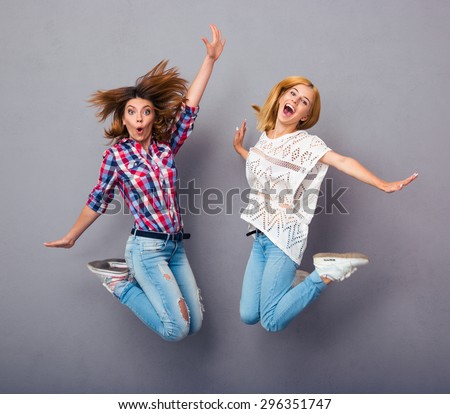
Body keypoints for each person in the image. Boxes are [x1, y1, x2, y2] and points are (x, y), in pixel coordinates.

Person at [44, 25, 225, 341]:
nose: (139, 119)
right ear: (124, 118)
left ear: (153, 117)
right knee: (176, 330)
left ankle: (132, 284)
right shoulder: (117, 155)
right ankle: (120, 285)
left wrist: (209, 60)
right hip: (146, 248)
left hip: (175, 246)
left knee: (194, 325)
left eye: (145, 112)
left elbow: (189, 110)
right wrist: (72, 236)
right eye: (132, 112)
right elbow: (98, 198)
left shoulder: (165, 147)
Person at [233, 76, 418, 332]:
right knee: (248, 314)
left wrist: (382, 184)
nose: (296, 100)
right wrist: (241, 149)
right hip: (260, 236)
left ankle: (324, 274)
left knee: (271, 321)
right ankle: (292, 280)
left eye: (304, 101)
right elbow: (263, 164)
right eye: (293, 94)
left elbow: (342, 161)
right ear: (281, 97)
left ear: (304, 116)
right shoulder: (265, 139)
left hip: (284, 238)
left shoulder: (306, 145)